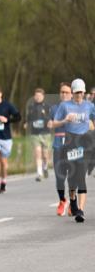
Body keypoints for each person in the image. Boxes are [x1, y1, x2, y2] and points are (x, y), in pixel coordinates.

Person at [51, 78, 95, 223]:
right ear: (73, 93)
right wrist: (65, 121)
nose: (79, 95)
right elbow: (53, 123)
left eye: (81, 92)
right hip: (69, 143)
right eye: (76, 93)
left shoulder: (89, 106)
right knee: (72, 177)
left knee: (81, 176)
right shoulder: (64, 106)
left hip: (83, 143)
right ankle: (72, 199)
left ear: (84, 92)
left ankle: (80, 210)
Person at [52, 82, 73, 216]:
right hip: (58, 144)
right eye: (62, 92)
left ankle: (73, 202)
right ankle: (62, 200)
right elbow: (51, 123)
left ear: (71, 94)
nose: (64, 94)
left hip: (73, 144)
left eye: (67, 92)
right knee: (60, 176)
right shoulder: (54, 108)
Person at [24, 87, 54, 181]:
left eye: (39, 96)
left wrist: (51, 121)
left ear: (43, 96)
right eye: (36, 96)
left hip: (45, 133)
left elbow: (52, 117)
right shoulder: (31, 106)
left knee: (45, 155)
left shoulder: (47, 106)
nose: (37, 97)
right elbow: (29, 117)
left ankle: (45, 167)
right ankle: (39, 173)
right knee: (38, 153)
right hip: (35, 133)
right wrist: (26, 123)